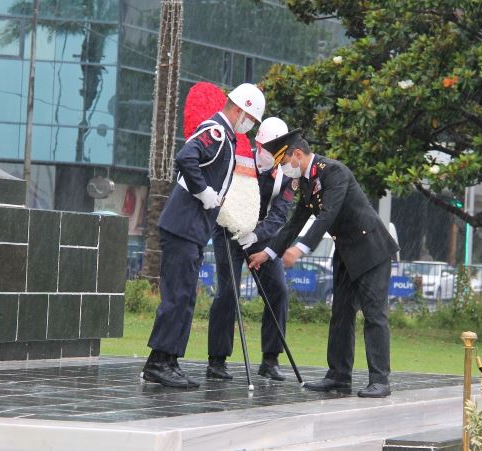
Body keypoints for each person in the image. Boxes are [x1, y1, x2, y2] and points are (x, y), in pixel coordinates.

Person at [248, 130, 399, 398]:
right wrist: (268, 253)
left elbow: (327, 215)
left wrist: (300, 249)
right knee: (340, 315)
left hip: (372, 250)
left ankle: (380, 380)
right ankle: (339, 376)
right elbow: (294, 223)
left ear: (297, 155)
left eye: (284, 163)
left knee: (375, 315)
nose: (284, 169)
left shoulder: (333, 172)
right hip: (346, 252)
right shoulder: (306, 182)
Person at [142, 83, 265, 388]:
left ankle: (166, 360)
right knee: (178, 296)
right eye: (248, 117)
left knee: (184, 297)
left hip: (193, 228)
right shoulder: (218, 132)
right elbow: (186, 157)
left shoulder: (227, 136)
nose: (248, 125)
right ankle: (159, 362)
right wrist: (204, 191)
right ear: (237, 109)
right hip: (183, 225)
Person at [207, 117, 294, 382]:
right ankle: (217, 360)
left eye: (280, 150)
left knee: (278, 289)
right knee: (228, 292)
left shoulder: (286, 174)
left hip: (261, 236)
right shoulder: (239, 158)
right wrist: (234, 225)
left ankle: (270, 359)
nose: (275, 155)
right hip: (229, 231)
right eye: (270, 148)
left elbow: (280, 215)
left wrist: (257, 235)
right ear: (258, 143)